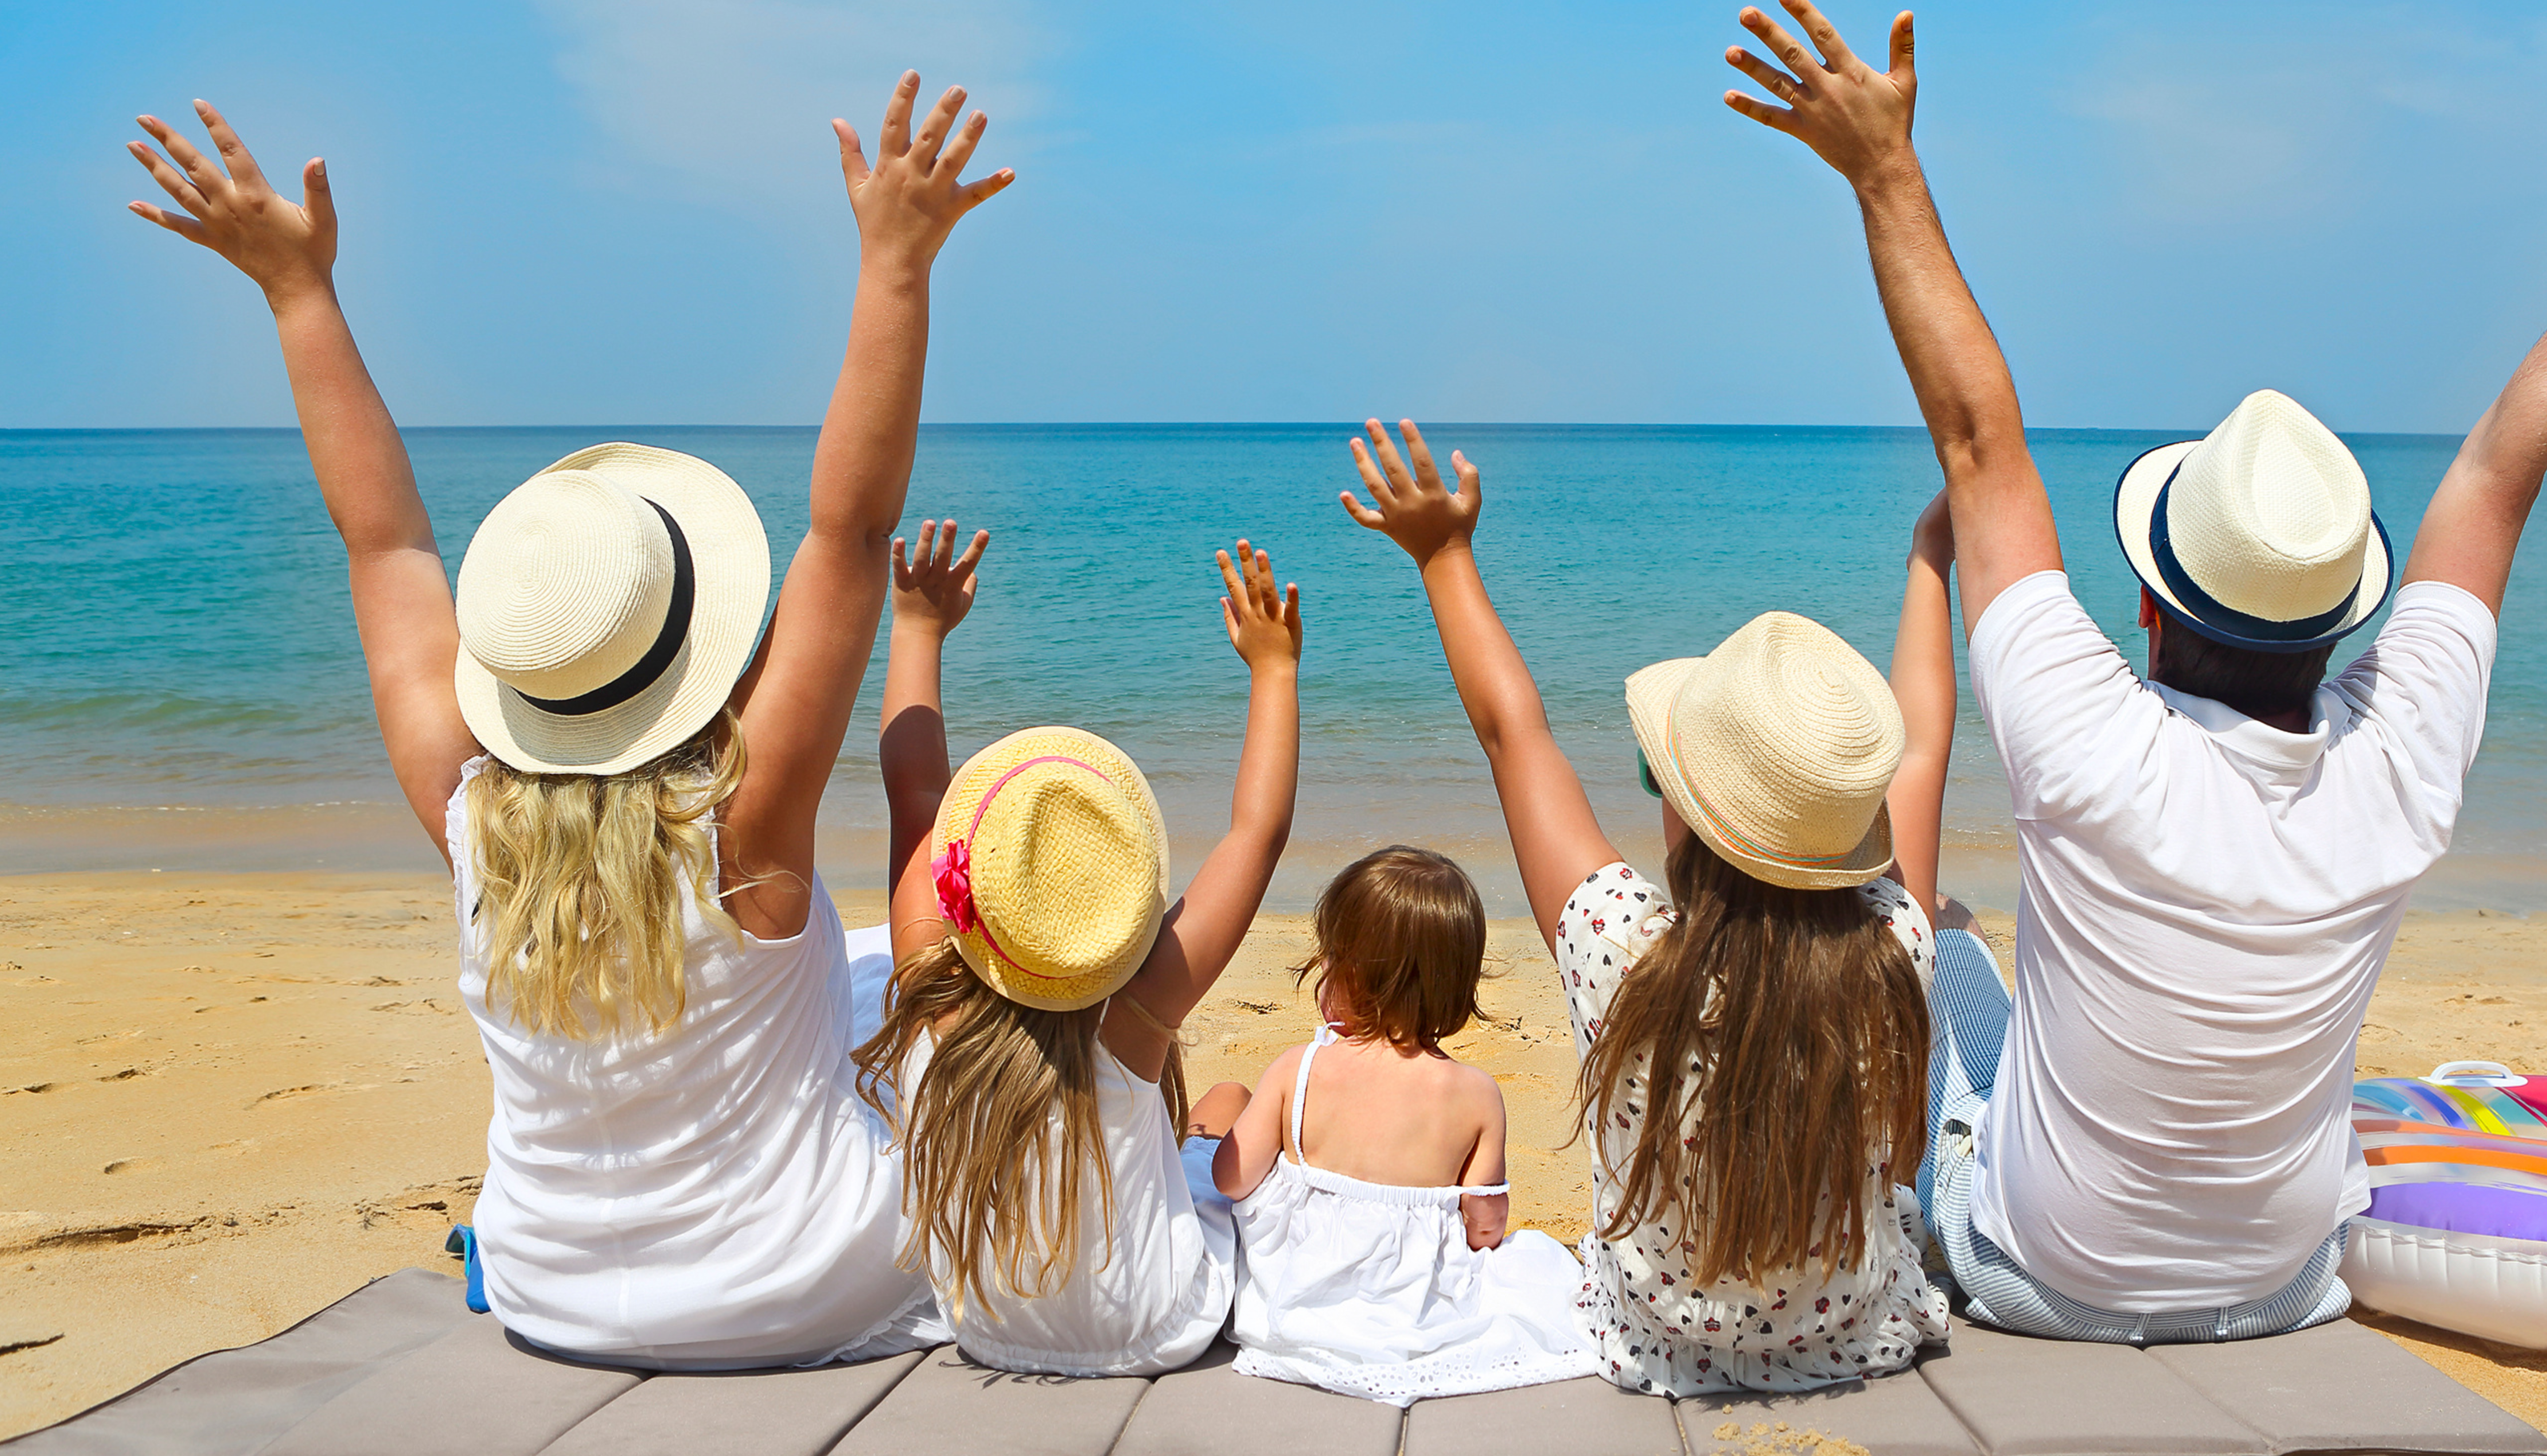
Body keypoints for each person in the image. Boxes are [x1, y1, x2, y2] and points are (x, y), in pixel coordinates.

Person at [1720, 0, 2547, 1342]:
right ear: (2346, 627)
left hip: (2035, 1281)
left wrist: (1881, 169)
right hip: (2283, 1290)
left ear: (2151, 618)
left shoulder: (2094, 747)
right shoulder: (2400, 763)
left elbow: (1979, 439)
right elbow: (2504, 472)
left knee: (1947, 954)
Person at [120, 75, 1012, 1367]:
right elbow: (853, 529)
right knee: (959, 990)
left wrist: (296, 294)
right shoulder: (746, 823)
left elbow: (384, 548)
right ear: (701, 648)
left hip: (548, 1290)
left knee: (863, 964)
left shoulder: (473, 820)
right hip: (790, 1286)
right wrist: (899, 262)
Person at [1341, 420, 1950, 1394]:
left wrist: (1445, 555)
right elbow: (1919, 751)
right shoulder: (1895, 942)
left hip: (1653, 1345)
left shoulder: (1620, 949)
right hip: (1855, 1338)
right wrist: (1932, 561)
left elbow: (1515, 736)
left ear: (1683, 812)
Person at [852, 537, 1302, 1377]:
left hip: (988, 1331)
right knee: (1229, 1104)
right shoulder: (1133, 1021)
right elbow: (1257, 835)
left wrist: (916, 629)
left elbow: (914, 797)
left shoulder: (931, 1002)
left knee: (1208, 1113)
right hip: (1161, 1325)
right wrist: (1273, 670)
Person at [1209, 844, 1596, 1405]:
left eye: (1330, 956)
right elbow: (1485, 1227)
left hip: (1292, 1306)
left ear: (1351, 973)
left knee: (1212, 1135)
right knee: (1536, 1269)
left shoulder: (1302, 1067)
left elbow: (1232, 1179)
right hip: (1415, 1312)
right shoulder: (1476, 1095)